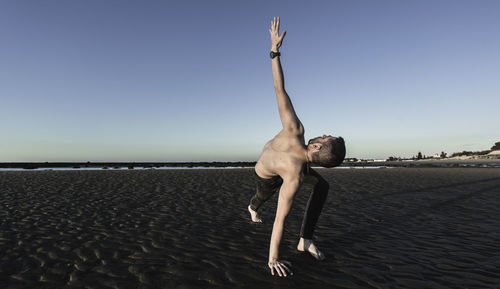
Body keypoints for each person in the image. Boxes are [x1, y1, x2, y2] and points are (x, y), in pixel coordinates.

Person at [247, 17, 346, 277]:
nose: (324, 133)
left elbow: (279, 88)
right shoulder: (296, 168)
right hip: (265, 173)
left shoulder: (295, 135)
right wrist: (275, 50)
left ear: (315, 147)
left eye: (326, 137)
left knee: (320, 186)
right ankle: (252, 208)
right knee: (260, 200)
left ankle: (305, 239)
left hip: (287, 170)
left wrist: (274, 51)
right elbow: (280, 89)